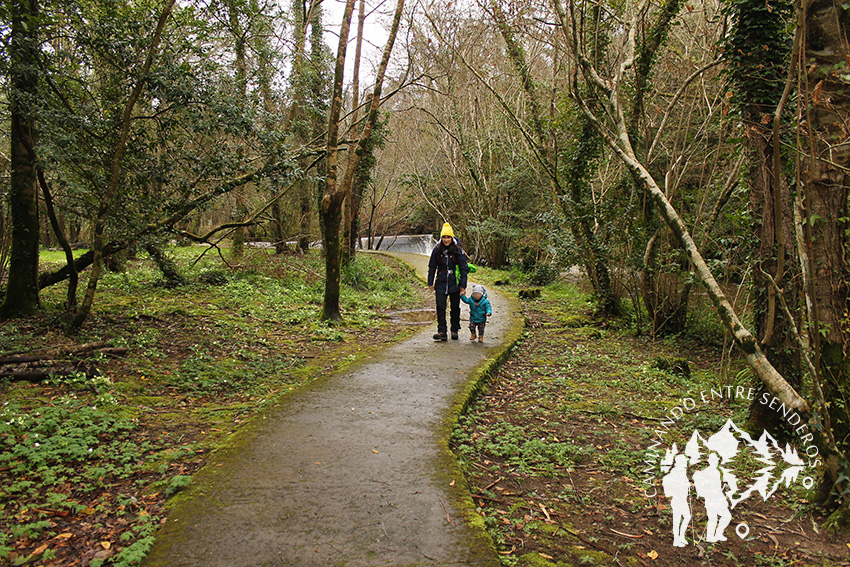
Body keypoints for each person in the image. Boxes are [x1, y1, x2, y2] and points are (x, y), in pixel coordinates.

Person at [427, 223, 469, 341]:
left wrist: (463, 285)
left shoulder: (458, 250)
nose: (446, 240)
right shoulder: (437, 250)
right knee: (440, 307)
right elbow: (432, 266)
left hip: (454, 282)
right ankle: (442, 331)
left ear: (452, 237)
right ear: (441, 238)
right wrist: (430, 282)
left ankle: (454, 330)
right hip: (440, 282)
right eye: (444, 237)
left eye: (448, 237)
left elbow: (463, 269)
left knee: (455, 308)